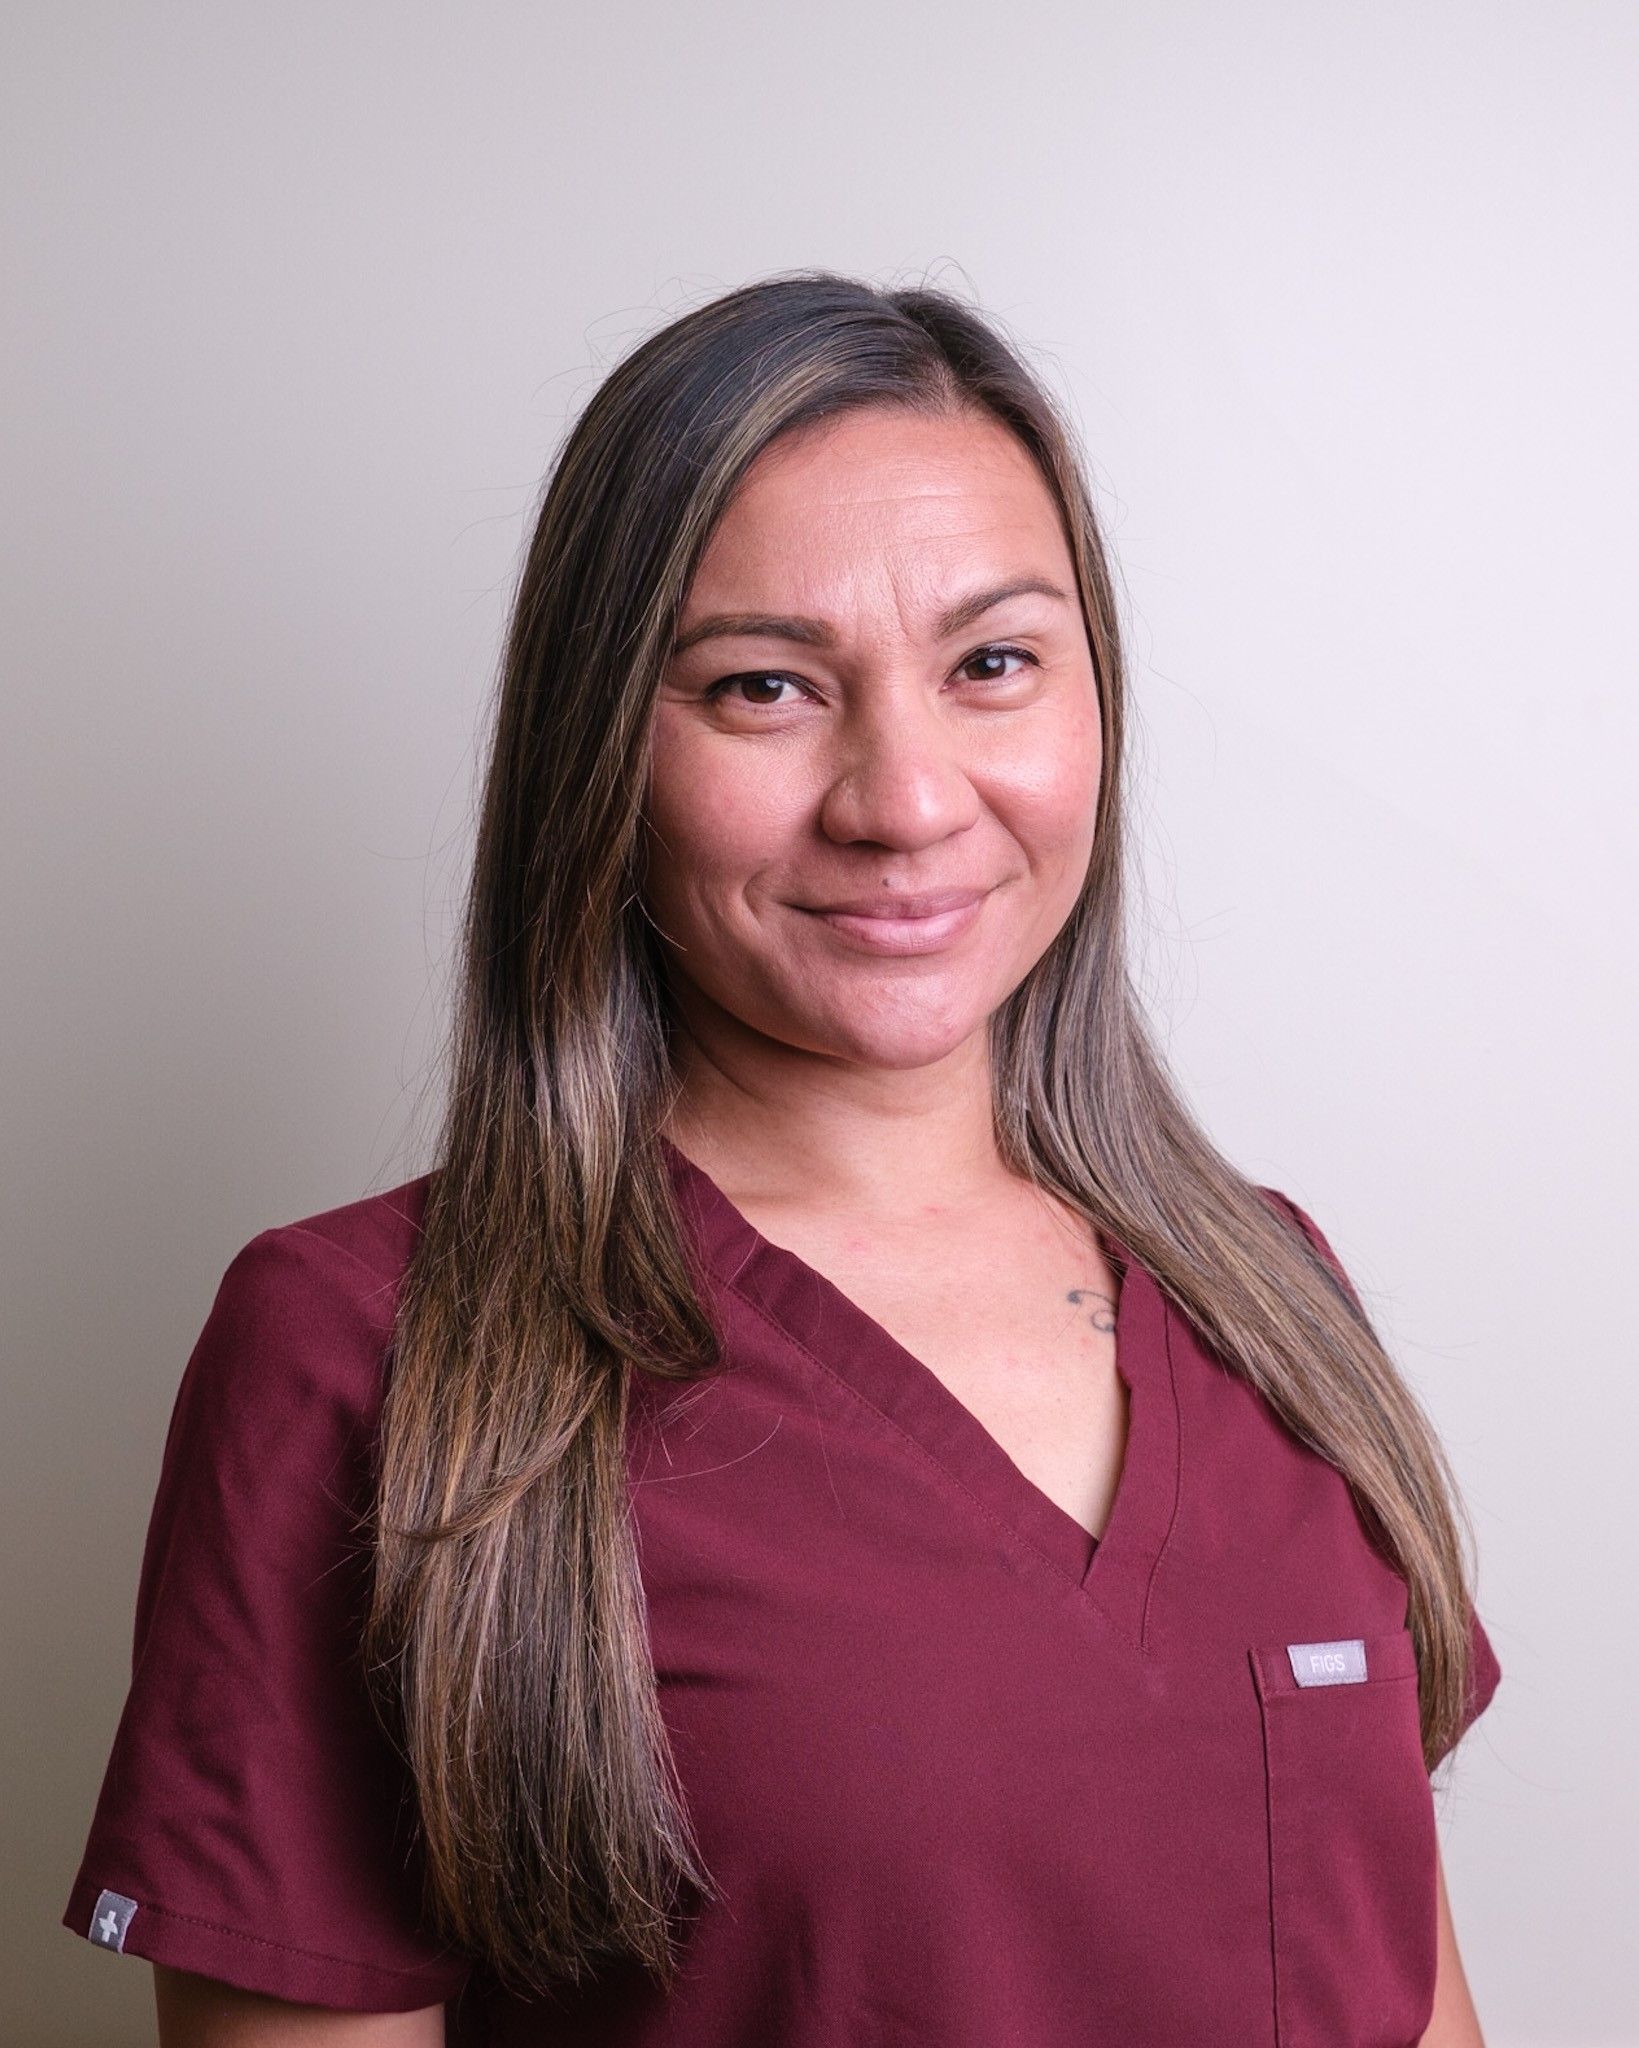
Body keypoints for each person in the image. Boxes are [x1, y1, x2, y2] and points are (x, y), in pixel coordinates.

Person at [60, 271, 1503, 2047]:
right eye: (763, 687)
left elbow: (1410, 1995)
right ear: (603, 751)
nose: (903, 797)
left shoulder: (1268, 1292)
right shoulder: (370, 1352)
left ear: (1094, 704)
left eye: (993, 664)